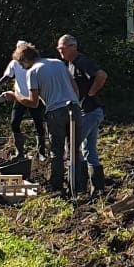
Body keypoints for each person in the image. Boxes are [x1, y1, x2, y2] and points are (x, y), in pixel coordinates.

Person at [9, 44, 84, 195]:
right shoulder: (58, 63)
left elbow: (33, 102)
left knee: (57, 152)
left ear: (25, 60)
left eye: (21, 64)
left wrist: (15, 96)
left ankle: (56, 186)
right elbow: (74, 86)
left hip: (55, 112)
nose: (22, 68)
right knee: (75, 150)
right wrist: (74, 100)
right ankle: (78, 185)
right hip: (74, 108)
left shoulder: (33, 72)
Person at [58, 35, 109, 190]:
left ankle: (77, 187)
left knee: (72, 147)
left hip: (90, 111)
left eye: (63, 48)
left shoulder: (81, 61)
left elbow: (102, 75)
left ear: (73, 47)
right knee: (89, 151)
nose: (60, 51)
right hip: (89, 112)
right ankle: (97, 189)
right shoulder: (71, 64)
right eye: (59, 48)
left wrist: (91, 93)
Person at [0, 42, 49, 158]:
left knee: (39, 123)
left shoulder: (34, 64)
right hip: (20, 98)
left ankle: (41, 153)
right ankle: (19, 152)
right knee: (14, 122)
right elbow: (7, 76)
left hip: (34, 97)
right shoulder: (14, 63)